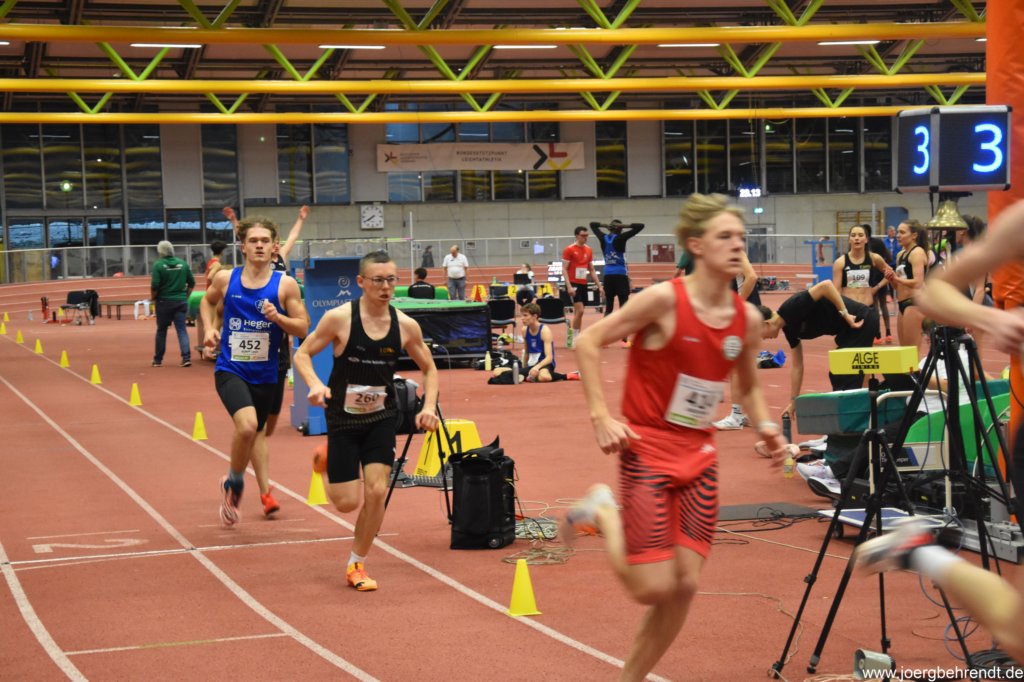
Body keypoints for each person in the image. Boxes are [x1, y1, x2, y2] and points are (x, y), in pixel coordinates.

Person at [563, 193, 789, 682]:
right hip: (646, 448)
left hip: (700, 456)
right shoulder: (665, 300)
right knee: (650, 587)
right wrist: (600, 417)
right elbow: (588, 340)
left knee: (684, 585)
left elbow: (747, 387)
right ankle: (603, 510)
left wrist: (767, 426)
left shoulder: (746, 319)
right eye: (725, 237)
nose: (738, 245)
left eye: (741, 237)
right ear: (697, 245)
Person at [293, 251, 440, 592]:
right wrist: (314, 384)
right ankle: (325, 460)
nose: (385, 287)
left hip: (382, 417)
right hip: (343, 419)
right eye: (378, 280)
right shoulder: (339, 319)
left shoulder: (405, 325)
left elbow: (430, 368)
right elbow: (302, 354)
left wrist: (429, 406)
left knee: (376, 491)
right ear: (361, 282)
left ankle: (356, 563)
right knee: (346, 503)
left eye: (391, 280)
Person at [200, 217, 309, 523]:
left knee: (260, 432)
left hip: (268, 372)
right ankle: (235, 484)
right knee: (247, 427)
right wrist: (209, 328)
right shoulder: (226, 279)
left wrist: (279, 319)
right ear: (243, 247)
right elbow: (206, 303)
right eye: (253, 241)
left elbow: (303, 327)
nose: (259, 245)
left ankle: (251, 486)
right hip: (231, 368)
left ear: (275, 247)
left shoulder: (285, 284)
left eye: (264, 241)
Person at [758, 279, 878, 416]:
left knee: (845, 379)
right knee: (839, 376)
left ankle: (857, 422)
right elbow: (797, 367)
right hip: (847, 332)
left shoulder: (791, 307)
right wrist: (793, 402)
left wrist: (845, 314)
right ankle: (858, 419)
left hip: (861, 321)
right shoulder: (789, 329)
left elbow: (826, 285)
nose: (762, 338)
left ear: (765, 324)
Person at [831, 225, 893, 345]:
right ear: (849, 240)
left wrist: (877, 287)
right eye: (853, 235)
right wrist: (843, 314)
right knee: (846, 348)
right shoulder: (840, 262)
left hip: (868, 310)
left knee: (865, 348)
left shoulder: (874, 258)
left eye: (860, 235)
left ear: (866, 239)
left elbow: (890, 274)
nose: (857, 238)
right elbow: (836, 292)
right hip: (849, 312)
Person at [590, 219, 645, 327]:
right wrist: (624, 225)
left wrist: (605, 225)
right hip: (620, 275)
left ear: (610, 228)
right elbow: (640, 225)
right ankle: (624, 332)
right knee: (624, 306)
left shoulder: (603, 237)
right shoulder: (621, 237)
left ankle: (604, 331)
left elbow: (592, 225)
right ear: (620, 229)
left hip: (608, 276)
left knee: (609, 307)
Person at [885, 219, 930, 354]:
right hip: (902, 303)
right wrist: (891, 279)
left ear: (914, 235)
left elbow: (918, 282)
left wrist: (897, 278)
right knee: (904, 352)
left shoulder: (917, 252)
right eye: (898, 232)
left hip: (914, 303)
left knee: (911, 352)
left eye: (902, 232)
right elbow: (898, 287)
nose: (898, 235)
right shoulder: (900, 254)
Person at [151, 240, 196, 368]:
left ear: (160, 252)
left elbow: (155, 285)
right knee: (181, 330)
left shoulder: (158, 265)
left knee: (161, 331)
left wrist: (153, 298)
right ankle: (186, 358)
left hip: (163, 301)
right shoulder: (183, 264)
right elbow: (192, 283)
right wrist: (185, 296)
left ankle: (158, 360)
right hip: (180, 301)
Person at [561, 226, 601, 348]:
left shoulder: (588, 250)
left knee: (579, 313)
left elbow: (592, 270)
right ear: (577, 236)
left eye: (586, 235)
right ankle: (575, 338)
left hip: (583, 283)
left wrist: (599, 286)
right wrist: (569, 286)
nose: (585, 238)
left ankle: (574, 336)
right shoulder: (569, 249)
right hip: (573, 283)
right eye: (583, 235)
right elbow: (564, 269)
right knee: (580, 310)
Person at [198, 240, 229, 360]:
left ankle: (211, 348)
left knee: (214, 324)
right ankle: (213, 349)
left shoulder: (211, 262)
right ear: (222, 252)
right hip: (215, 296)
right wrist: (216, 283)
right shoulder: (216, 264)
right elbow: (210, 276)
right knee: (216, 323)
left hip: (210, 293)